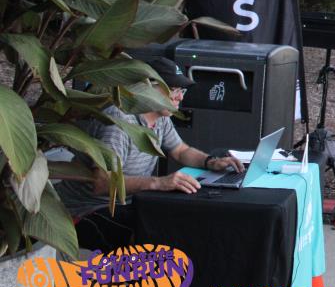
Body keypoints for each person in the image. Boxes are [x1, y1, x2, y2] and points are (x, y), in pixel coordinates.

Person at [56, 57, 244, 252]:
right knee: (159, 233)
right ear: (146, 88)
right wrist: (158, 183)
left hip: (128, 203)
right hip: (86, 211)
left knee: (181, 221)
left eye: (182, 90)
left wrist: (210, 162)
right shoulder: (118, 122)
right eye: (173, 90)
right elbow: (102, 183)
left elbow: (181, 151)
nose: (180, 97)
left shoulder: (160, 116)